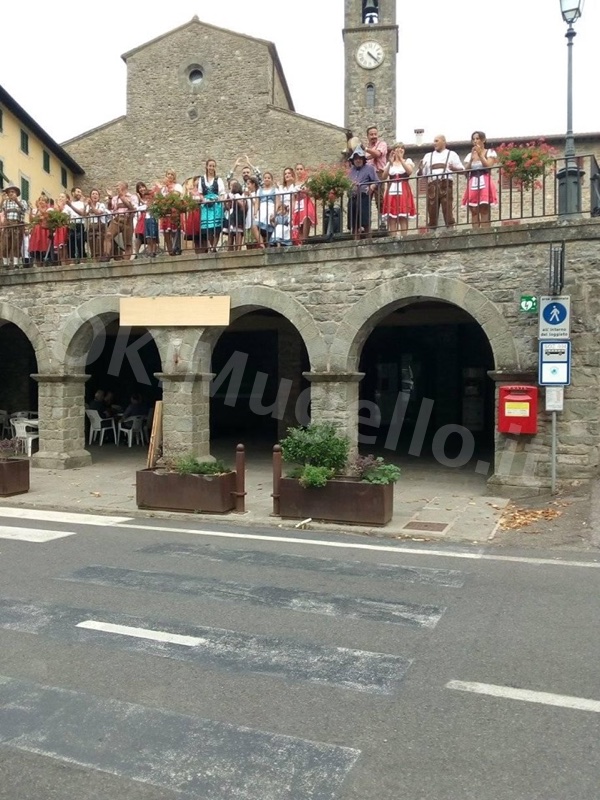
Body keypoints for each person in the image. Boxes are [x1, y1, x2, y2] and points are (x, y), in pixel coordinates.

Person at [417, 135, 464, 229]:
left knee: (447, 208)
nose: (434, 143)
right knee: (432, 209)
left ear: (444, 142)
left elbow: (462, 170)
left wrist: (453, 168)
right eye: (434, 141)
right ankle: (432, 230)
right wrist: (420, 169)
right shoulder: (428, 156)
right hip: (432, 185)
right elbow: (420, 175)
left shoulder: (452, 154)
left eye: (436, 141)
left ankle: (450, 229)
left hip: (445, 183)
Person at [462, 131, 498, 228]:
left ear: (483, 140)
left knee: (484, 208)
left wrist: (480, 155)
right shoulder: (470, 155)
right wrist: (471, 159)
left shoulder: (489, 152)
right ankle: (475, 231)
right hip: (473, 180)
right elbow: (466, 169)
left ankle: (485, 232)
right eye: (473, 139)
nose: (475, 141)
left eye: (477, 138)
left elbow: (488, 166)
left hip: (484, 180)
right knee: (473, 209)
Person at [381, 143, 415, 236]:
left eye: (402, 149)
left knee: (402, 216)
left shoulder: (408, 161)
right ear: (394, 151)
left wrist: (400, 159)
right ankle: (393, 238)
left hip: (403, 190)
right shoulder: (389, 163)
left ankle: (404, 238)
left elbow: (409, 171)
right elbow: (383, 177)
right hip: (391, 190)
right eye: (397, 148)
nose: (400, 150)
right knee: (392, 217)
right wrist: (390, 163)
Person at [347, 146, 379, 238]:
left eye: (360, 158)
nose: (358, 160)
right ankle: (355, 244)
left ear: (363, 159)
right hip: (352, 197)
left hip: (364, 197)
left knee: (366, 222)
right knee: (354, 224)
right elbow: (346, 183)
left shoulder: (369, 168)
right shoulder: (350, 171)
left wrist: (371, 186)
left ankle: (369, 243)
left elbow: (376, 181)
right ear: (353, 160)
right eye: (356, 158)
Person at [102, 181, 138, 261]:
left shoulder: (133, 197)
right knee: (108, 235)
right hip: (116, 219)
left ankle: (126, 261)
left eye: (118, 185)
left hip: (128, 220)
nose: (116, 187)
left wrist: (122, 197)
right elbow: (110, 208)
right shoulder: (115, 198)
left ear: (124, 186)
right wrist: (110, 198)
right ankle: (106, 255)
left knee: (128, 243)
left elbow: (132, 209)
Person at [197, 159, 226, 253]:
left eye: (213, 166)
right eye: (210, 165)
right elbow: (200, 193)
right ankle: (211, 246)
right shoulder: (202, 179)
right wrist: (204, 199)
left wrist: (219, 199)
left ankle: (214, 247)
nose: (211, 168)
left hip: (216, 204)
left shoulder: (218, 179)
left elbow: (222, 193)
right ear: (206, 166)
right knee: (208, 227)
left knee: (216, 227)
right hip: (206, 205)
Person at [364, 125, 388, 222]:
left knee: (380, 199)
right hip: (367, 176)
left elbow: (377, 154)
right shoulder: (366, 149)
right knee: (366, 201)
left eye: (375, 134)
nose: (374, 136)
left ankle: (382, 224)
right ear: (368, 136)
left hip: (379, 173)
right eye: (371, 134)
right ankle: (366, 224)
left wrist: (365, 150)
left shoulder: (382, 144)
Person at [0, 185, 28, 267]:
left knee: (16, 244)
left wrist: (16, 201)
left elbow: (24, 209)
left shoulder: (22, 201)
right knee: (5, 244)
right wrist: (2, 200)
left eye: (12, 192)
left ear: (16, 193)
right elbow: (0, 210)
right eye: (9, 192)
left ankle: (16, 264)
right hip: (7, 226)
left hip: (17, 225)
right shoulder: (5, 202)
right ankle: (6, 264)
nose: (10, 193)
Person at [157, 170, 184, 256]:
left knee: (174, 231)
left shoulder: (177, 186)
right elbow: (159, 199)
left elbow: (174, 196)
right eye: (168, 174)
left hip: (174, 212)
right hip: (165, 213)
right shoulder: (163, 189)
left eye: (172, 174)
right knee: (166, 232)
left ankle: (176, 248)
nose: (170, 176)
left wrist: (166, 198)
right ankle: (170, 251)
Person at [292, 163, 316, 243]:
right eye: (297, 169)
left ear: (304, 170)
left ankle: (305, 239)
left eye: (301, 169)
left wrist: (304, 191)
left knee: (306, 217)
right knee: (299, 224)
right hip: (297, 203)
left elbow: (312, 193)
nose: (299, 171)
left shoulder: (307, 181)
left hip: (306, 202)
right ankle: (300, 242)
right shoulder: (294, 183)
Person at [226, 180, 247, 251]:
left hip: (237, 215)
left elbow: (242, 205)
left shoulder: (238, 196)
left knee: (238, 232)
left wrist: (238, 201)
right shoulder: (237, 195)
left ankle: (236, 249)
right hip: (236, 215)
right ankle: (235, 249)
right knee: (235, 233)